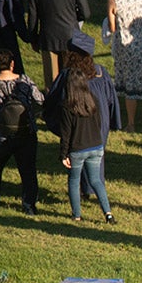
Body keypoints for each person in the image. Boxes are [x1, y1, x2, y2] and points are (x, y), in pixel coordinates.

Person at [44, 33, 121, 223]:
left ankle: (78, 208)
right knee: (96, 158)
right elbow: (111, 100)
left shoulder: (68, 76)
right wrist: (112, 120)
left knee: (76, 166)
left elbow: (54, 101)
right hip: (98, 123)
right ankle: (99, 200)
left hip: (76, 127)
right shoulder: (101, 72)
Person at [0, 49, 45, 212]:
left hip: (0, 135)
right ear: (12, 64)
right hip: (26, 133)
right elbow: (40, 100)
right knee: (28, 171)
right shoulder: (25, 80)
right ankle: (29, 205)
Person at [104, 0, 142, 131]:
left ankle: (131, 124)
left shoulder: (113, 0)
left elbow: (112, 28)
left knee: (130, 86)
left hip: (127, 47)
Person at [29, 0, 90, 86]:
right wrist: (73, 18)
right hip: (71, 36)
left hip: (48, 37)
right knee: (72, 78)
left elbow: (33, 14)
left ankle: (53, 103)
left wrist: (33, 38)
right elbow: (86, 14)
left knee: (51, 81)